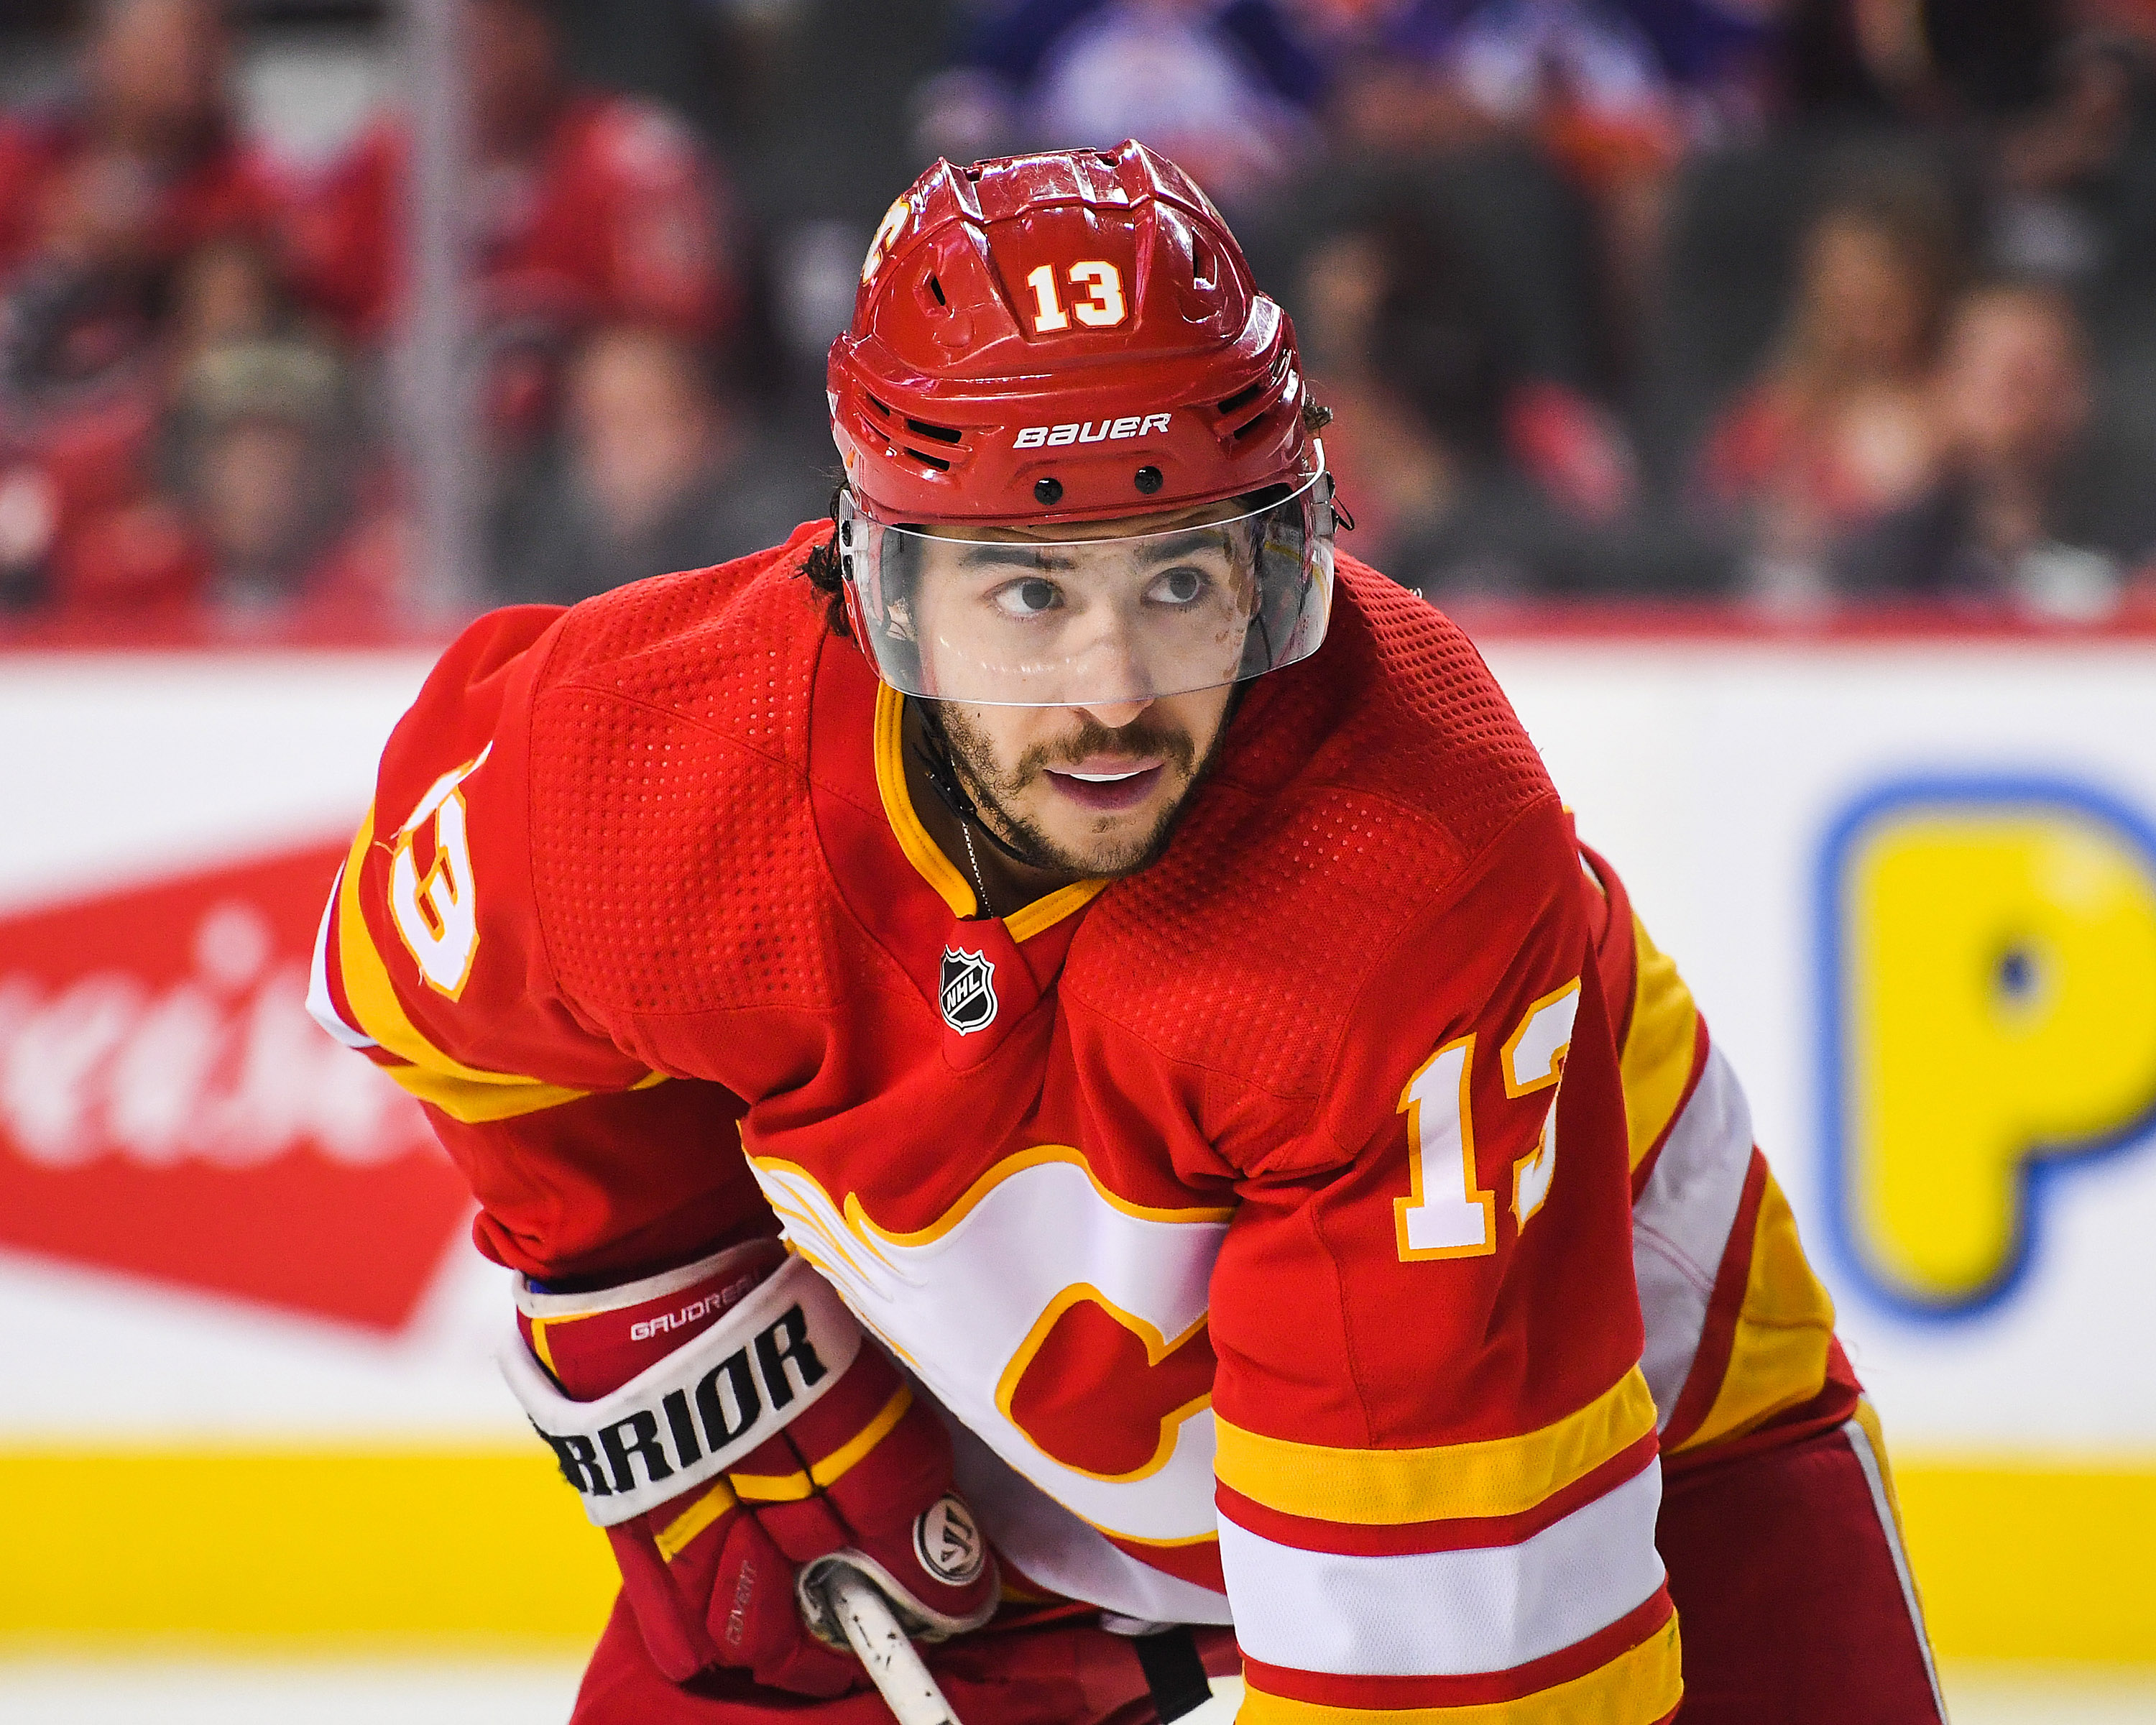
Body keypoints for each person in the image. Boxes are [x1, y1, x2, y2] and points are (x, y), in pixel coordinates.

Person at [310, 142, 1943, 1724]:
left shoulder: (1401, 869)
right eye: (1028, 592)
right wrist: (671, 1307)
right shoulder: (621, 769)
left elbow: (1448, 1674)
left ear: (1275, 555)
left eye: (1178, 582)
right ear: (881, 587)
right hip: (961, 1503)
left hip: (1607, 1472)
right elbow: (425, 990)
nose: (1109, 694)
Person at [1833, 280, 2153, 616]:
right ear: (1950, 386)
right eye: (2016, 380)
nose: (2038, 405)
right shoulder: (1895, 559)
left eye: (2058, 378)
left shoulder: (2138, 541)